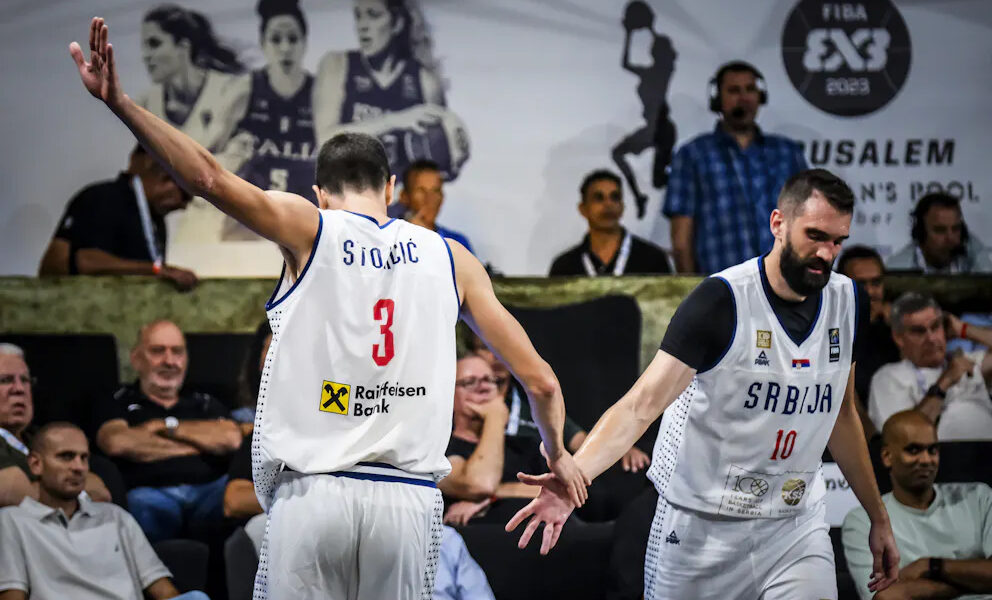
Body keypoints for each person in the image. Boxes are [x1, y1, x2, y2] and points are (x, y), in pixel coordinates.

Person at [70, 19, 586, 600]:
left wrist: (121, 104)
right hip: (409, 503)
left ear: (319, 192)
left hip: (315, 498)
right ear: (390, 188)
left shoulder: (311, 228)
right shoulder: (453, 258)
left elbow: (207, 177)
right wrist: (558, 457)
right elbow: (541, 381)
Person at [508, 169, 901, 599]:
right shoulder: (721, 300)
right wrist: (575, 478)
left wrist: (878, 516)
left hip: (794, 526)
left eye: (838, 241)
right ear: (778, 223)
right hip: (701, 526)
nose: (826, 253)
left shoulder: (849, 301)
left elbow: (841, 414)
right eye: (816, 236)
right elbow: (640, 405)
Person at [0, 422, 209, 600]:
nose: (78, 467)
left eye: (84, 458)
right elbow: (12, 595)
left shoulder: (115, 517)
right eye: (66, 457)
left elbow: (162, 589)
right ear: (36, 464)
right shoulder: (13, 521)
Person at [93, 320, 242, 542]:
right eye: (157, 351)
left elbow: (232, 439)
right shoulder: (118, 400)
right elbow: (117, 443)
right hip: (150, 492)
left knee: (245, 497)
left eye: (177, 352)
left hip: (210, 490)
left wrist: (165, 428)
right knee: (141, 504)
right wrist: (200, 444)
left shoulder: (205, 401)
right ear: (136, 359)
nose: (169, 361)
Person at [663, 61, 808, 275]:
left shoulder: (787, 153)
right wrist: (692, 289)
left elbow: (808, 222)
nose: (744, 98)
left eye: (750, 89)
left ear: (760, 96)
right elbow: (681, 240)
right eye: (734, 91)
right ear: (717, 99)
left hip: (783, 283)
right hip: (722, 286)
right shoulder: (692, 155)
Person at [313, 0, 470, 181]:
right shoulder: (337, 65)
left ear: (397, 23)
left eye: (373, 15)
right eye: (358, 16)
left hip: (393, 195)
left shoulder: (424, 81)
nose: (362, 25)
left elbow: (443, 158)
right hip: (343, 192)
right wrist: (394, 120)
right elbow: (325, 143)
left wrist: (449, 162)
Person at [843, 411, 992, 600]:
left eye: (932, 450)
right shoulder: (864, 520)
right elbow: (885, 597)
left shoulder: (979, 497)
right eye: (913, 450)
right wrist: (978, 581)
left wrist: (931, 566)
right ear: (887, 456)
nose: (926, 460)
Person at [219, 0, 319, 241]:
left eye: (293, 39)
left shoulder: (322, 93)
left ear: (304, 43)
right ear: (263, 43)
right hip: (250, 221)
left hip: (306, 223)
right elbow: (211, 153)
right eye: (276, 39)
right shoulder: (243, 89)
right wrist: (231, 155)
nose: (285, 48)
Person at [37, 145, 197, 289]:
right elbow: (83, 262)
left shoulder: (157, 222)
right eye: (184, 195)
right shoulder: (102, 197)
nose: (183, 206)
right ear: (161, 175)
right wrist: (155, 270)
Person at [868, 292, 992, 441]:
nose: (931, 338)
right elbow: (904, 437)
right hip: (942, 454)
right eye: (919, 331)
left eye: (935, 326)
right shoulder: (889, 377)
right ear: (899, 338)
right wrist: (945, 382)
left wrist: (963, 329)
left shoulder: (966, 361)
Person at [0, 343, 111, 507]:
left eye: (24, 380)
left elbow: (100, 492)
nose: (19, 389)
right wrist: (66, 489)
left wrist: (49, 490)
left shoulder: (42, 436)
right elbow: (12, 492)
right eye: (5, 380)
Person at [139, 4, 248, 152]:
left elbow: (244, 152)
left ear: (183, 46)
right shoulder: (146, 105)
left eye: (154, 44)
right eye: (144, 46)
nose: (145, 55)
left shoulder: (230, 91)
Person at [611, 1, 677, 218]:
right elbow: (625, 64)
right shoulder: (649, 73)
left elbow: (664, 51)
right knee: (618, 154)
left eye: (655, 49)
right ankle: (639, 197)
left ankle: (689, 176)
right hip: (653, 130)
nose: (651, 50)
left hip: (662, 129)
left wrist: (650, 28)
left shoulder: (663, 72)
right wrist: (629, 33)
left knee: (659, 181)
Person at [549, 169, 672, 276]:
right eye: (599, 198)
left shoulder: (653, 260)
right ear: (583, 209)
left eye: (615, 197)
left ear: (622, 207)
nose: (608, 204)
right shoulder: (564, 267)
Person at [837, 245, 900, 404]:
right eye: (861, 284)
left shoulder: (896, 325)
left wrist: (899, 327)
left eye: (876, 283)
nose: (870, 291)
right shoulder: (831, 331)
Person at [886, 192, 992, 274]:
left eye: (956, 229)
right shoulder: (898, 268)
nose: (950, 238)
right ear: (920, 233)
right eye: (940, 230)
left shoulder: (973, 253)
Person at [395, 159, 474, 252]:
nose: (430, 199)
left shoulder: (458, 243)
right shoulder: (388, 239)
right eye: (421, 191)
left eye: (435, 191)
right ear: (404, 196)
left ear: (442, 197)